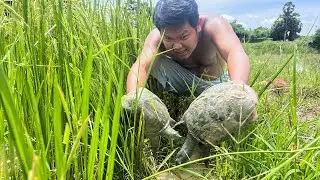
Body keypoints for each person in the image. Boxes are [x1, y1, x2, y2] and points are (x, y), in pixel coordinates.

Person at [126, 0, 250, 96]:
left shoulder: (214, 25)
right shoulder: (156, 37)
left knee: (237, 94)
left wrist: (239, 88)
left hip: (214, 85)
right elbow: (141, 66)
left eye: (184, 36)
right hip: (180, 83)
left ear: (198, 25)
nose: (177, 46)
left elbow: (235, 52)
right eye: (169, 38)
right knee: (152, 62)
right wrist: (134, 99)